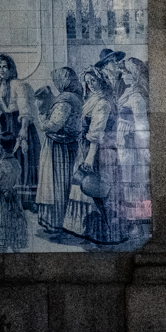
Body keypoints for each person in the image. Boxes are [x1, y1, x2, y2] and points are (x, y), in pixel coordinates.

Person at [63, 67, 124, 245]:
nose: (90, 85)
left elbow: (96, 133)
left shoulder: (103, 102)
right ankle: (94, 231)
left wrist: (89, 157)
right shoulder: (92, 99)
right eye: (88, 82)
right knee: (89, 189)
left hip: (98, 151)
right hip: (88, 148)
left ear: (102, 81)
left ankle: (106, 233)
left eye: (94, 81)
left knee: (98, 189)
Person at [0, 53, 41, 210]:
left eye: (5, 67)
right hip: (7, 126)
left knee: (24, 160)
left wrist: (23, 132)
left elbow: (25, 110)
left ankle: (27, 199)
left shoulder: (19, 84)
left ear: (11, 68)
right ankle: (12, 197)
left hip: (21, 126)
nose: (2, 70)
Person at [35, 67, 84, 235]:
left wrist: (42, 114)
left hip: (58, 147)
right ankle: (59, 221)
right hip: (68, 145)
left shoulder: (64, 101)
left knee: (56, 184)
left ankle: (55, 222)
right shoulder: (77, 97)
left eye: (57, 80)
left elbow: (51, 125)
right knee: (62, 184)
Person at [117, 56, 149, 225]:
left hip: (131, 145)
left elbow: (141, 124)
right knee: (127, 181)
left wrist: (144, 149)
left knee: (134, 182)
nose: (122, 77)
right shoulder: (128, 92)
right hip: (123, 143)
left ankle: (137, 221)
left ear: (133, 75)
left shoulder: (136, 98)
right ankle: (130, 218)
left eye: (125, 73)